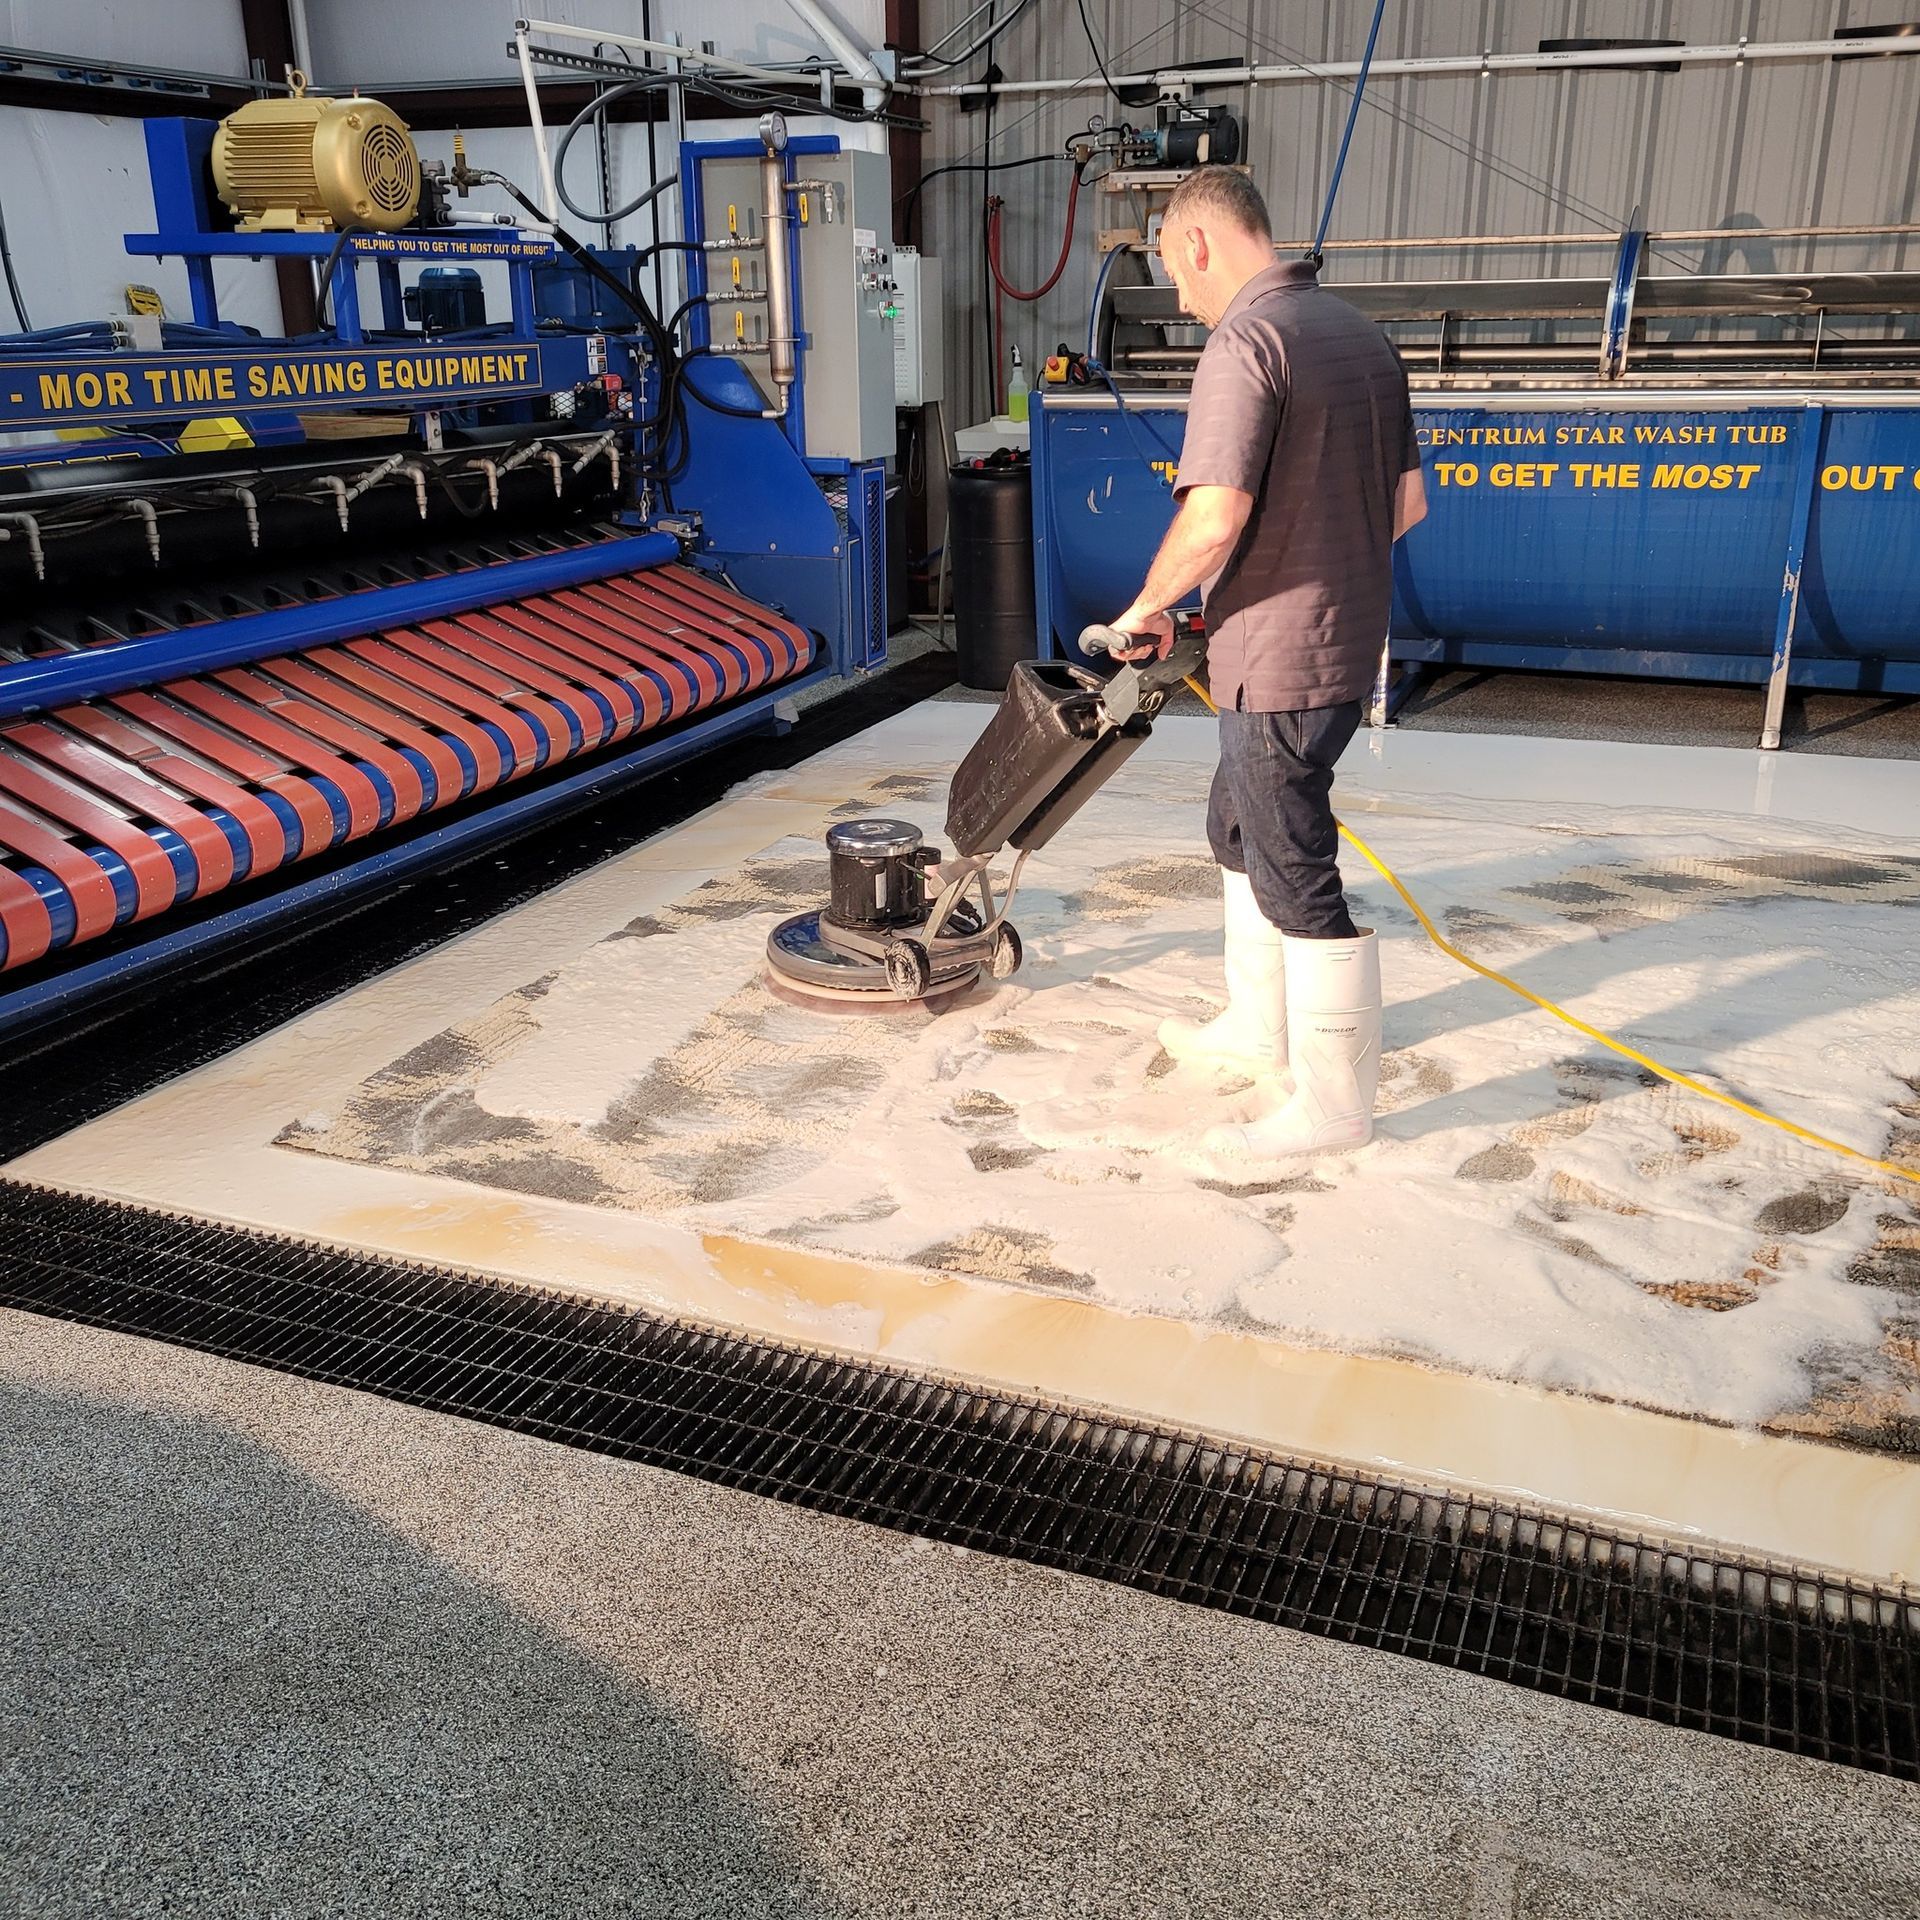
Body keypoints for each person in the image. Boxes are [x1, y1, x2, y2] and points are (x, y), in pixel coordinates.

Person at [1105, 166, 1426, 1158]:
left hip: (1283, 655)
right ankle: (1257, 1029)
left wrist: (1147, 608)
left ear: (1197, 240)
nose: (1182, 296)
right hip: (1336, 636)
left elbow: (1214, 514)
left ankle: (1336, 1110)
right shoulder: (1357, 334)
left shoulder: (1248, 340)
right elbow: (1405, 507)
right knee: (1237, 824)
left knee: (1293, 868)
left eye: (1171, 268)